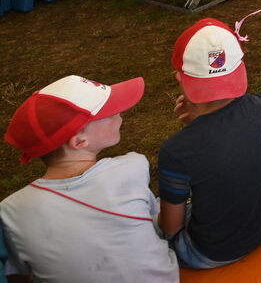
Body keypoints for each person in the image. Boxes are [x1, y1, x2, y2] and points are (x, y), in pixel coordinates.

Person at [1, 74, 178, 282]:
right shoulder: (132, 166)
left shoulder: (10, 212)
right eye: (109, 112)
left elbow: (19, 275)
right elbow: (161, 225)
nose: (119, 113)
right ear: (79, 141)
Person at [159, 18, 261, 269]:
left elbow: (171, 228)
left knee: (150, 212)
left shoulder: (176, 151)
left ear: (180, 77)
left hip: (211, 252)